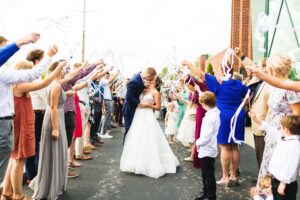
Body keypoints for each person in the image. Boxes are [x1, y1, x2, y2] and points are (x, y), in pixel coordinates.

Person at [1, 47, 59, 200]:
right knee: (19, 161)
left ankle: (7, 192)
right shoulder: (20, 86)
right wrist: (57, 67)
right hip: (21, 127)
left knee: (15, 160)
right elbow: (45, 82)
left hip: (21, 126)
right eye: (28, 72)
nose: (31, 75)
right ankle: (18, 196)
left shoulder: (19, 87)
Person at [182, 60, 251, 186]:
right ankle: (234, 176)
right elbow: (249, 93)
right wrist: (241, 106)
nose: (217, 73)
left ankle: (225, 177)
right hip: (238, 116)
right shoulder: (238, 83)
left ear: (222, 71)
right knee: (234, 147)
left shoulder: (218, 82)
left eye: (219, 71)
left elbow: (201, 74)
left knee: (224, 146)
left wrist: (189, 64)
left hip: (223, 116)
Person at [28, 59, 87, 200]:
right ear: (58, 70)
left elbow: (71, 76)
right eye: (64, 69)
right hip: (55, 118)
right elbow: (54, 107)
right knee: (53, 151)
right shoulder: (55, 86)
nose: (66, 71)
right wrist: (55, 129)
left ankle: (53, 182)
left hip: (57, 116)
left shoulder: (56, 83)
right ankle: (49, 185)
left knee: (56, 151)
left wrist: (83, 67)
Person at [120, 77, 179, 179]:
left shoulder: (155, 92)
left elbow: (158, 107)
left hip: (147, 115)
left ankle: (149, 162)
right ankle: (135, 162)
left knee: (148, 137)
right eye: (147, 79)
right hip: (138, 115)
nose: (148, 80)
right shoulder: (143, 89)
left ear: (155, 82)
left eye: (150, 79)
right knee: (137, 136)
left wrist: (148, 105)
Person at [249, 113, 300, 200]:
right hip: (277, 180)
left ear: (286, 130)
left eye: (281, 128)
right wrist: (256, 119)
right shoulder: (284, 138)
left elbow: (291, 166)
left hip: (284, 183)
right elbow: (271, 129)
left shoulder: (294, 145)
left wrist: (283, 183)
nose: (279, 130)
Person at [25, 49, 47, 183]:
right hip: (36, 113)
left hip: (39, 113)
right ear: (37, 61)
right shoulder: (34, 76)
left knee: (36, 144)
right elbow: (45, 96)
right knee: (33, 145)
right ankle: (31, 176)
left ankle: (33, 174)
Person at [194, 91, 220, 200]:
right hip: (208, 147)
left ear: (204, 105)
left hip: (208, 148)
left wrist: (198, 142)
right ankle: (206, 192)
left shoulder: (210, 117)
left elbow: (207, 136)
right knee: (206, 173)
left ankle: (210, 195)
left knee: (208, 174)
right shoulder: (214, 113)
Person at [248, 58, 270, 180]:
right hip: (256, 124)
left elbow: (270, 108)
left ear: (266, 68)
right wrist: (240, 56)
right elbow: (251, 66)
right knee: (259, 154)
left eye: (260, 67)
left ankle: (264, 182)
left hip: (263, 126)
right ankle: (261, 178)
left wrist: (266, 128)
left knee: (263, 155)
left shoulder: (269, 84)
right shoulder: (260, 81)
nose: (257, 69)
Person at [122, 67, 157, 144]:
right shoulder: (135, 81)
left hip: (137, 111)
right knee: (129, 131)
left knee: (135, 132)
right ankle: (126, 151)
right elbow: (129, 97)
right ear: (148, 75)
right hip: (130, 110)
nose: (149, 80)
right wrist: (141, 103)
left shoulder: (139, 79)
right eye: (150, 78)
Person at [176, 84, 197, 162]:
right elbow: (183, 100)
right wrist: (176, 95)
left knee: (191, 140)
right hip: (187, 123)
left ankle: (192, 156)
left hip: (191, 123)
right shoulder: (190, 103)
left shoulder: (196, 105)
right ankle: (192, 152)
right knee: (190, 140)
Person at [100, 70, 120, 138]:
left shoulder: (106, 82)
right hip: (106, 100)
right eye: (106, 76)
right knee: (106, 116)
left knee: (107, 117)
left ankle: (103, 132)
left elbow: (112, 81)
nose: (108, 78)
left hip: (108, 100)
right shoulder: (103, 81)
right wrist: (116, 73)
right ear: (103, 76)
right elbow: (112, 79)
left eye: (108, 76)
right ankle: (103, 132)